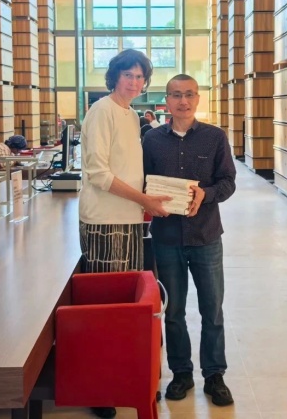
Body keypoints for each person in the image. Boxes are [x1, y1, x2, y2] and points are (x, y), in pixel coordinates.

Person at [78, 49, 170, 418]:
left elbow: (129, 170)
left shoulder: (130, 115)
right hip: (105, 221)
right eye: (128, 75)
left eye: (139, 76)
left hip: (129, 219)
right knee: (105, 309)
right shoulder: (101, 111)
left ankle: (120, 377)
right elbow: (98, 173)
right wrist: (144, 199)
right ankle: (99, 388)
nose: (134, 82)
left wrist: (148, 199)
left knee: (124, 307)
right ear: (114, 76)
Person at [142, 74, 236, 407]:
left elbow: (228, 182)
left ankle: (214, 375)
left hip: (206, 236)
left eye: (189, 95)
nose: (183, 101)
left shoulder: (215, 137)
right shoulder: (151, 140)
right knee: (173, 311)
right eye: (176, 95)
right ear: (166, 101)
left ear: (197, 99)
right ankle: (181, 373)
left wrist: (205, 194)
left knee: (212, 309)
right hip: (166, 238)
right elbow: (143, 183)